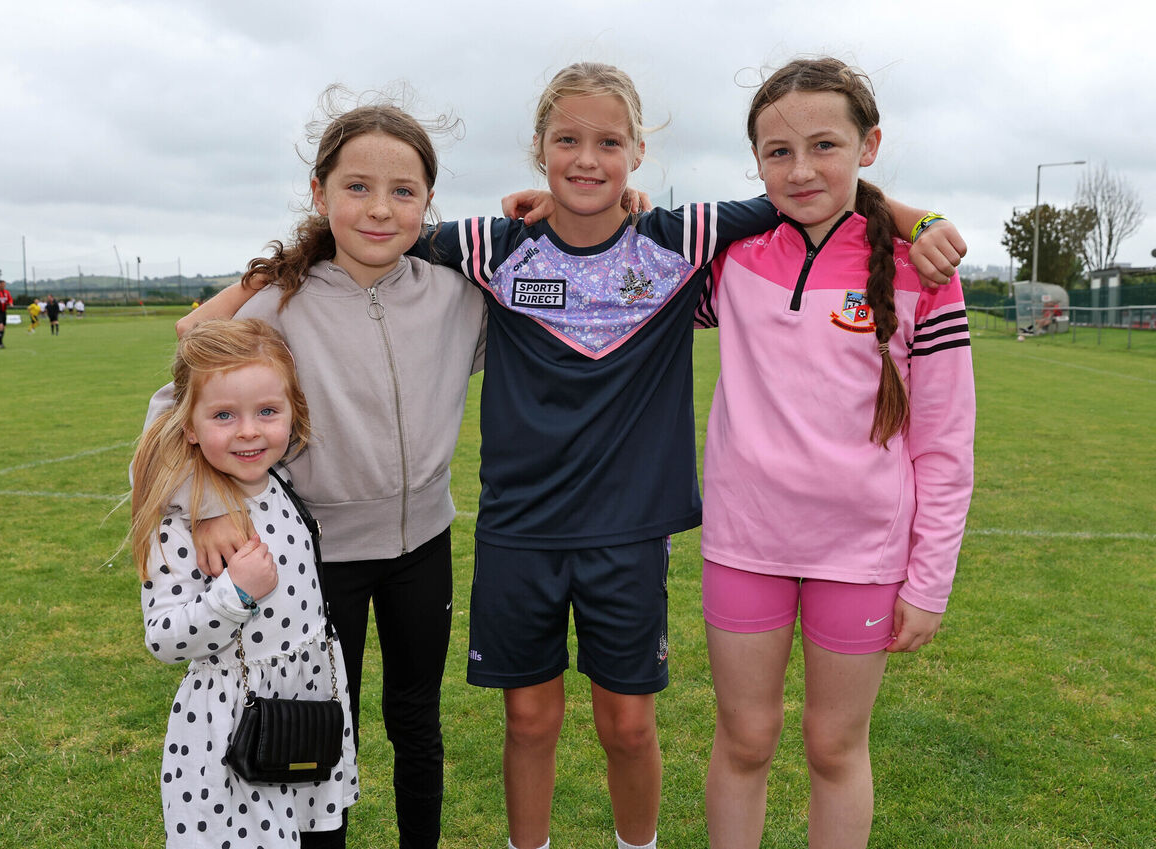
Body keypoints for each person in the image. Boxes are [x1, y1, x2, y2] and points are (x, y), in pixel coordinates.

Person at [419, 61, 965, 849]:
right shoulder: (526, 246)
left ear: (639, 150)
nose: (799, 166)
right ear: (537, 147)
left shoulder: (718, 248)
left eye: (608, 141)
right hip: (690, 539)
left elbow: (819, 199)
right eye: (566, 139)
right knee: (710, 736)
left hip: (798, 545)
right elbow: (389, 228)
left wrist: (916, 219)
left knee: (812, 743)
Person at [160, 99, 487, 849]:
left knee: (416, 720)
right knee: (319, 725)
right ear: (319, 193)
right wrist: (206, 499)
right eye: (357, 187)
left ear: (428, 202)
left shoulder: (457, 294)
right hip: (314, 560)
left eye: (404, 191)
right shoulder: (277, 303)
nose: (380, 209)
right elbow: (173, 399)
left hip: (422, 547)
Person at [697, 57, 975, 849]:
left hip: (862, 552)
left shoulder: (926, 273)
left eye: (826, 145)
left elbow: (946, 443)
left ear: (869, 144)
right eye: (778, 152)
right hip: (745, 541)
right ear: (755, 162)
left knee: (833, 746)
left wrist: (930, 580)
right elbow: (619, 251)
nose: (802, 169)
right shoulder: (731, 255)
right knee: (745, 739)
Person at [130, 317, 359, 848]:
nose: (249, 431)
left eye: (267, 412)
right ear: (187, 425)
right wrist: (233, 596)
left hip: (309, 707)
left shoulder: (283, 481)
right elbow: (164, 638)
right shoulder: (181, 519)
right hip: (231, 729)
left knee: (320, 836)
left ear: (293, 414)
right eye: (224, 415)